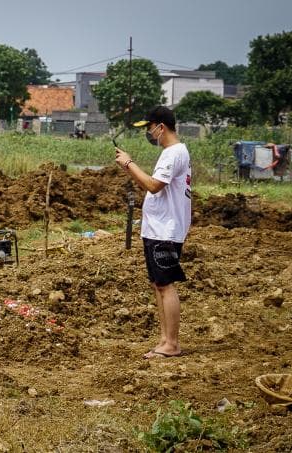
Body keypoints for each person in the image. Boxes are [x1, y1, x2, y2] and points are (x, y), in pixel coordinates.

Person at [114, 106, 192, 359]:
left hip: (165, 231)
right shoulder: (172, 153)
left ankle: (172, 343)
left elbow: (153, 185)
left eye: (149, 128)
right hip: (157, 229)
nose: (148, 133)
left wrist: (128, 164)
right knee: (159, 284)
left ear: (161, 127)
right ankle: (165, 339)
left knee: (165, 285)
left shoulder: (173, 154)